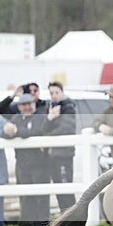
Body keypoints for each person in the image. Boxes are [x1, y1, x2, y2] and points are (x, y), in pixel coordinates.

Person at [2, 93, 50, 226]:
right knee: (25, 195)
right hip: (23, 164)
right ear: (19, 107)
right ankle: (26, 224)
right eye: (24, 105)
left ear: (34, 104)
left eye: (29, 104)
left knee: (40, 195)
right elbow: (6, 134)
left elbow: (36, 132)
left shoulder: (41, 118)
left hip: (39, 163)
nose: (27, 107)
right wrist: (7, 131)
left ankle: (42, 225)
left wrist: (17, 131)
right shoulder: (17, 118)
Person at [41, 81, 77, 212]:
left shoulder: (68, 107)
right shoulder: (51, 108)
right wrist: (50, 118)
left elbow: (66, 129)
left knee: (66, 188)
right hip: (53, 155)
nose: (54, 95)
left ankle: (73, 220)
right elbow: (42, 130)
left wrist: (49, 135)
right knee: (59, 190)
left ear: (62, 92)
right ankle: (65, 220)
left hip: (64, 155)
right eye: (52, 93)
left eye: (57, 92)